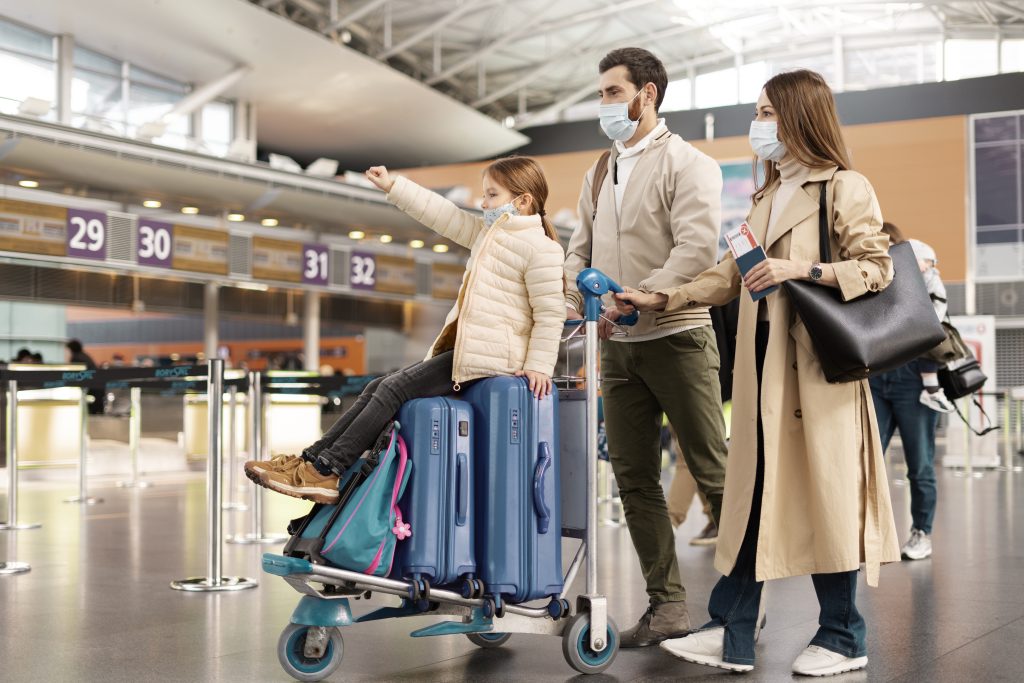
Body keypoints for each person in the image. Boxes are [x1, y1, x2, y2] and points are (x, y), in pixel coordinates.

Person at [616, 69, 901, 676]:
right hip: (764, 375)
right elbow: (728, 275)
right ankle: (732, 629)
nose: (759, 123)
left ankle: (844, 636)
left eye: (768, 111)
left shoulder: (843, 186)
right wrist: (662, 297)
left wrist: (800, 271)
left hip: (818, 376)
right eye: (759, 111)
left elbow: (878, 268)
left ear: (799, 116)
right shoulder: (765, 196)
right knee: (750, 499)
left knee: (828, 501)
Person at [245, 157, 566, 504]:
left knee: (393, 389)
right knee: (377, 386)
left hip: (494, 357)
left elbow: (550, 312)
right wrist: (394, 187)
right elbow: (443, 214)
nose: (483, 203)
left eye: (491, 195)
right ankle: (311, 462)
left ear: (523, 200)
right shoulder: (489, 235)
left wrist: (539, 366)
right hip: (470, 349)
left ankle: (327, 470)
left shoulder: (542, 249)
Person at [563, 46, 728, 648]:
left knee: (712, 470)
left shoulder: (689, 164)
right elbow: (577, 251)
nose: (603, 103)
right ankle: (668, 608)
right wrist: (584, 297)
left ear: (647, 94)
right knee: (634, 478)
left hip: (678, 336)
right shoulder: (598, 170)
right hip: (617, 344)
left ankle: (745, 599)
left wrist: (642, 295)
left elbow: (694, 249)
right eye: (601, 92)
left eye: (612, 92)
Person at [869, 228, 949, 562]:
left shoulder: (925, 278)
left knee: (920, 464)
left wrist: (921, 272)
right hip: (878, 373)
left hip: (915, 376)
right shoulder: (871, 275)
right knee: (870, 461)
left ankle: (921, 532)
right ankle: (870, 535)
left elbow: (932, 321)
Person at [66, 339, 104, 415]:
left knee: (90, 411)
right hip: (97, 385)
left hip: (91, 387)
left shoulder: (76, 358)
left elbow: (75, 374)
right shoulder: (84, 355)